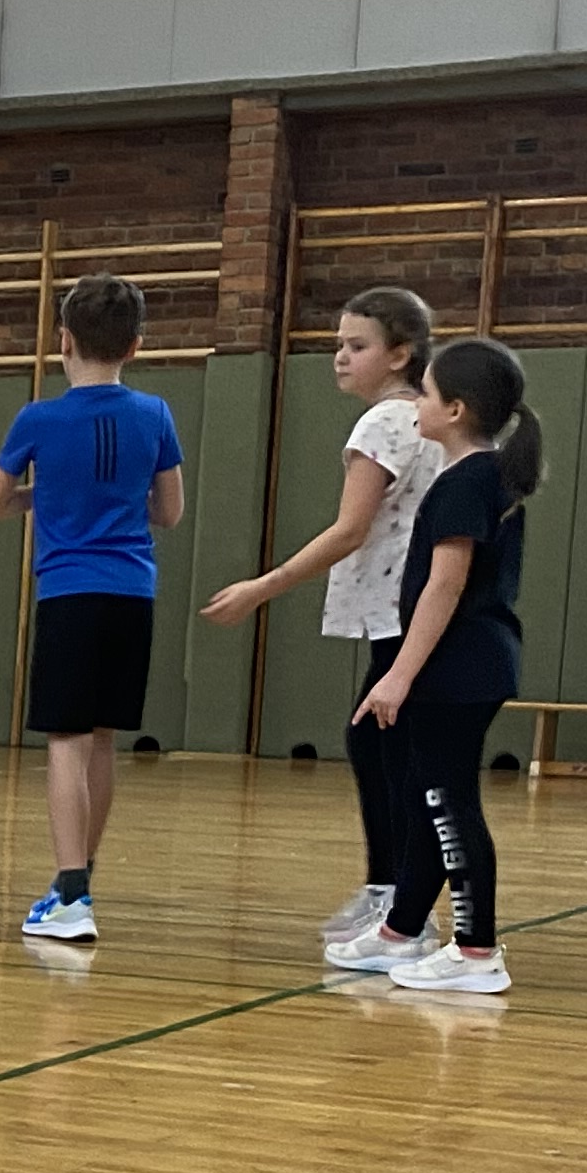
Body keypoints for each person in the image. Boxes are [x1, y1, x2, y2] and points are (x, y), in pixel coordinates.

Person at [200, 287, 439, 948]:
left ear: (401, 353)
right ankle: (390, 891)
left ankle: (401, 904)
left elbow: (349, 529)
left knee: (385, 750)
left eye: (357, 346)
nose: (340, 357)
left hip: (398, 609)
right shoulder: (431, 418)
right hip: (416, 607)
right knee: (380, 746)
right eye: (339, 344)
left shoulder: (383, 423)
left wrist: (262, 587)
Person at [329, 336, 540, 997]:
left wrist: (398, 674)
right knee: (427, 799)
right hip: (464, 667)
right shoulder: (482, 476)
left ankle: (477, 950)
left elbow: (444, 586)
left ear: (455, 410)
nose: (415, 403)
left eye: (424, 394)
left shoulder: (466, 482)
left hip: (458, 669)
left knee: (450, 805)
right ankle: (401, 929)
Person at [0, 272, 184, 943]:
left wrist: (47, 496)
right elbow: (169, 513)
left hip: (69, 593)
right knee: (101, 741)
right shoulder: (155, 414)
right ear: (136, 344)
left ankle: (70, 897)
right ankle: (79, 878)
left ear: (63, 339)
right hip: (133, 594)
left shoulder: (38, 419)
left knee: (65, 744)